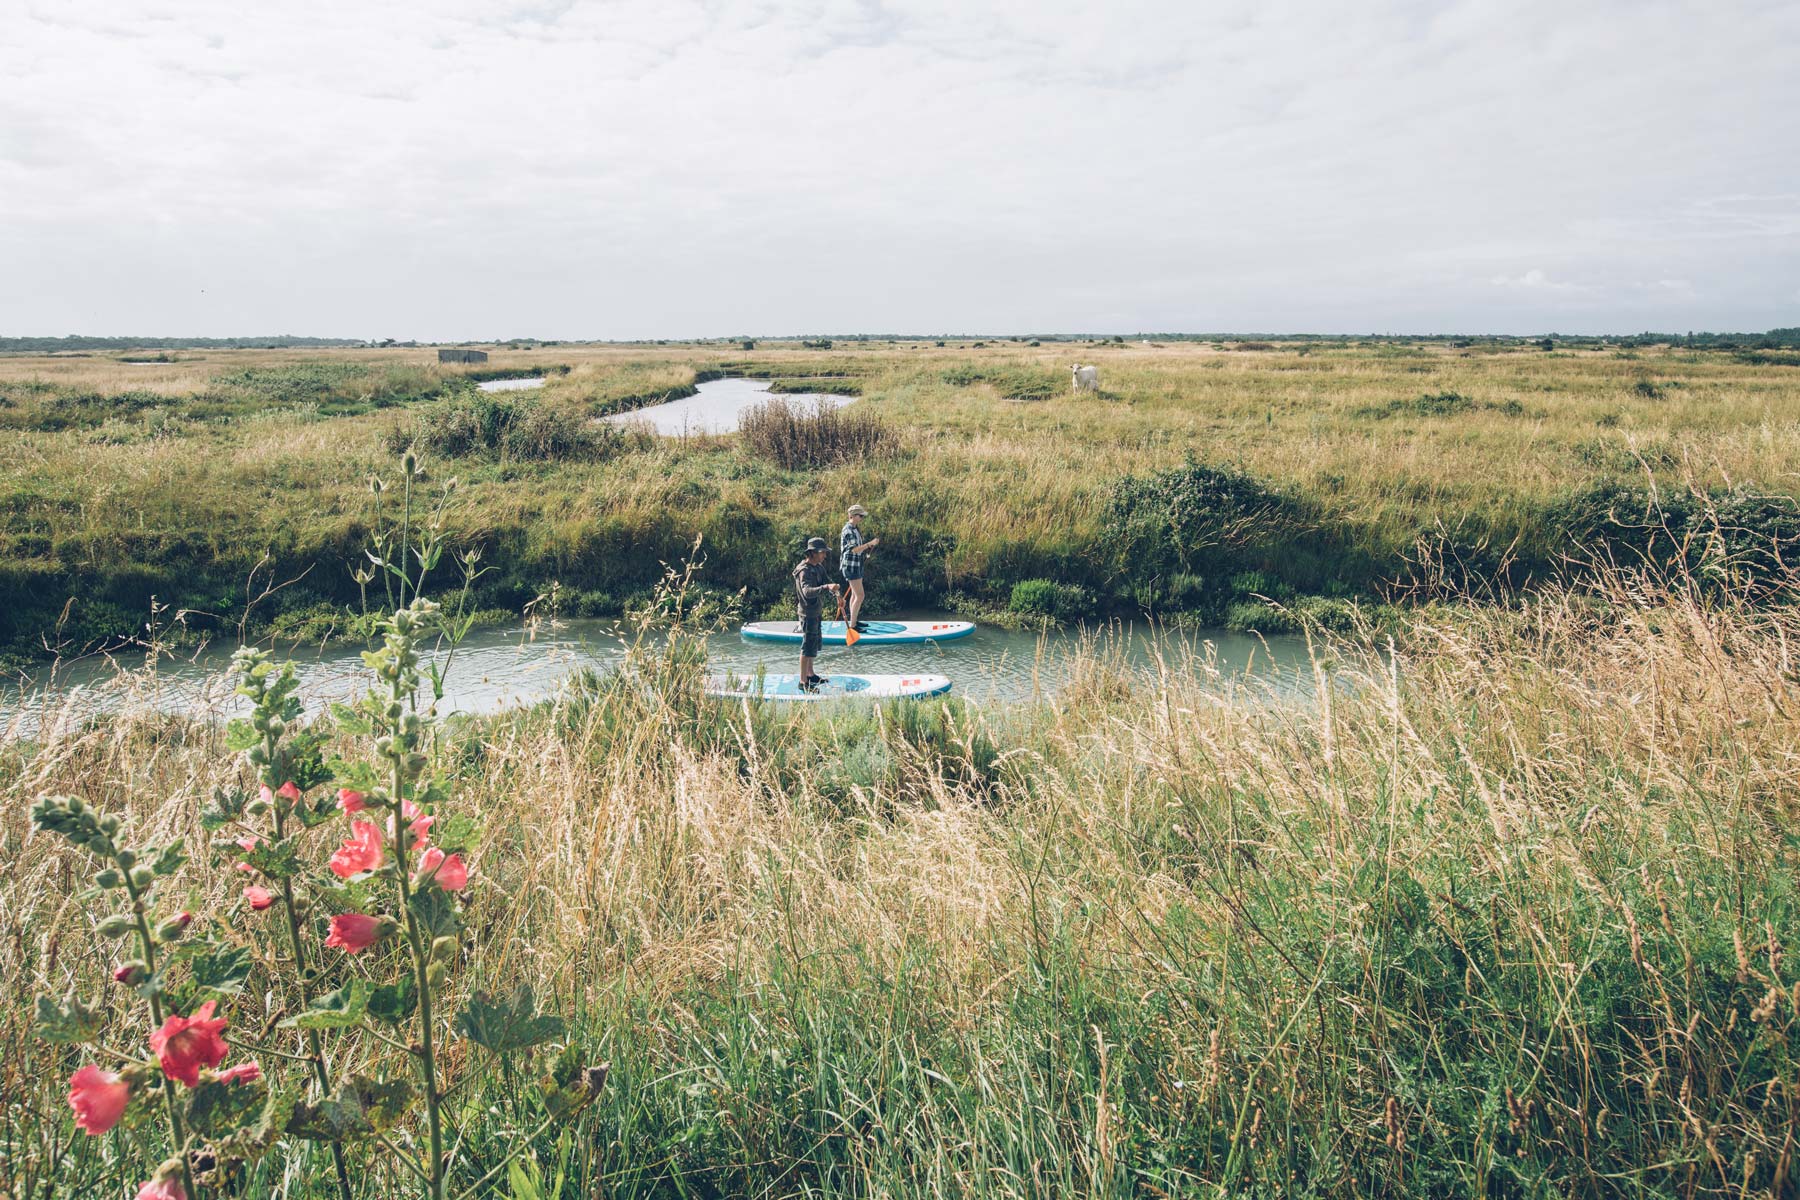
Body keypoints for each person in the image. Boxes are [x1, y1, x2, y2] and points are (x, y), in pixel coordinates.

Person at [793, 536, 840, 691]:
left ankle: (810, 674)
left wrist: (838, 595)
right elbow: (807, 592)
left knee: (813, 644)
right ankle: (802, 682)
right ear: (812, 553)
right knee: (807, 646)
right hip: (807, 614)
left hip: (816, 611)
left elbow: (827, 581)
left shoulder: (819, 567)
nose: (825, 555)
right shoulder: (804, 571)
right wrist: (826, 587)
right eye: (822, 552)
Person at [839, 504, 881, 631]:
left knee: (855, 595)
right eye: (860, 516)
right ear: (852, 516)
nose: (862, 518)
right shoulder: (848, 530)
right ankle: (852, 626)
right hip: (851, 567)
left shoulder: (855, 529)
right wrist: (870, 544)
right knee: (860, 595)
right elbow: (855, 550)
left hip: (855, 565)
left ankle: (854, 621)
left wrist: (868, 546)